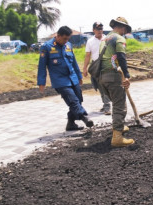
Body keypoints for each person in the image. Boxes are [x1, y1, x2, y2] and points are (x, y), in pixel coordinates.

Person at [37, 26, 93, 131]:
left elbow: (74, 63)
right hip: (60, 80)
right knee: (73, 100)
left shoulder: (68, 45)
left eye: (68, 39)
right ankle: (84, 117)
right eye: (64, 39)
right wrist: (41, 82)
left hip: (72, 77)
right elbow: (42, 66)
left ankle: (71, 124)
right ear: (57, 36)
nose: (66, 41)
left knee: (78, 99)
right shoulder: (47, 47)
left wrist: (79, 76)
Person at [99, 16, 134, 147]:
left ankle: (118, 126)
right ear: (123, 27)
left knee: (116, 102)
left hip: (101, 77)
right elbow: (121, 57)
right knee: (120, 105)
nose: (125, 32)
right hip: (113, 76)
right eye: (125, 29)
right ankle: (117, 138)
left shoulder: (105, 38)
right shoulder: (119, 38)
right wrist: (127, 75)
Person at [83, 22, 111, 115]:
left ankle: (107, 107)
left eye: (101, 29)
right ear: (93, 30)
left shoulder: (107, 39)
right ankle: (105, 104)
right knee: (99, 86)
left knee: (105, 85)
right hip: (95, 66)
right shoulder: (90, 41)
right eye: (98, 29)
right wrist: (85, 68)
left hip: (106, 65)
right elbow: (87, 55)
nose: (100, 31)